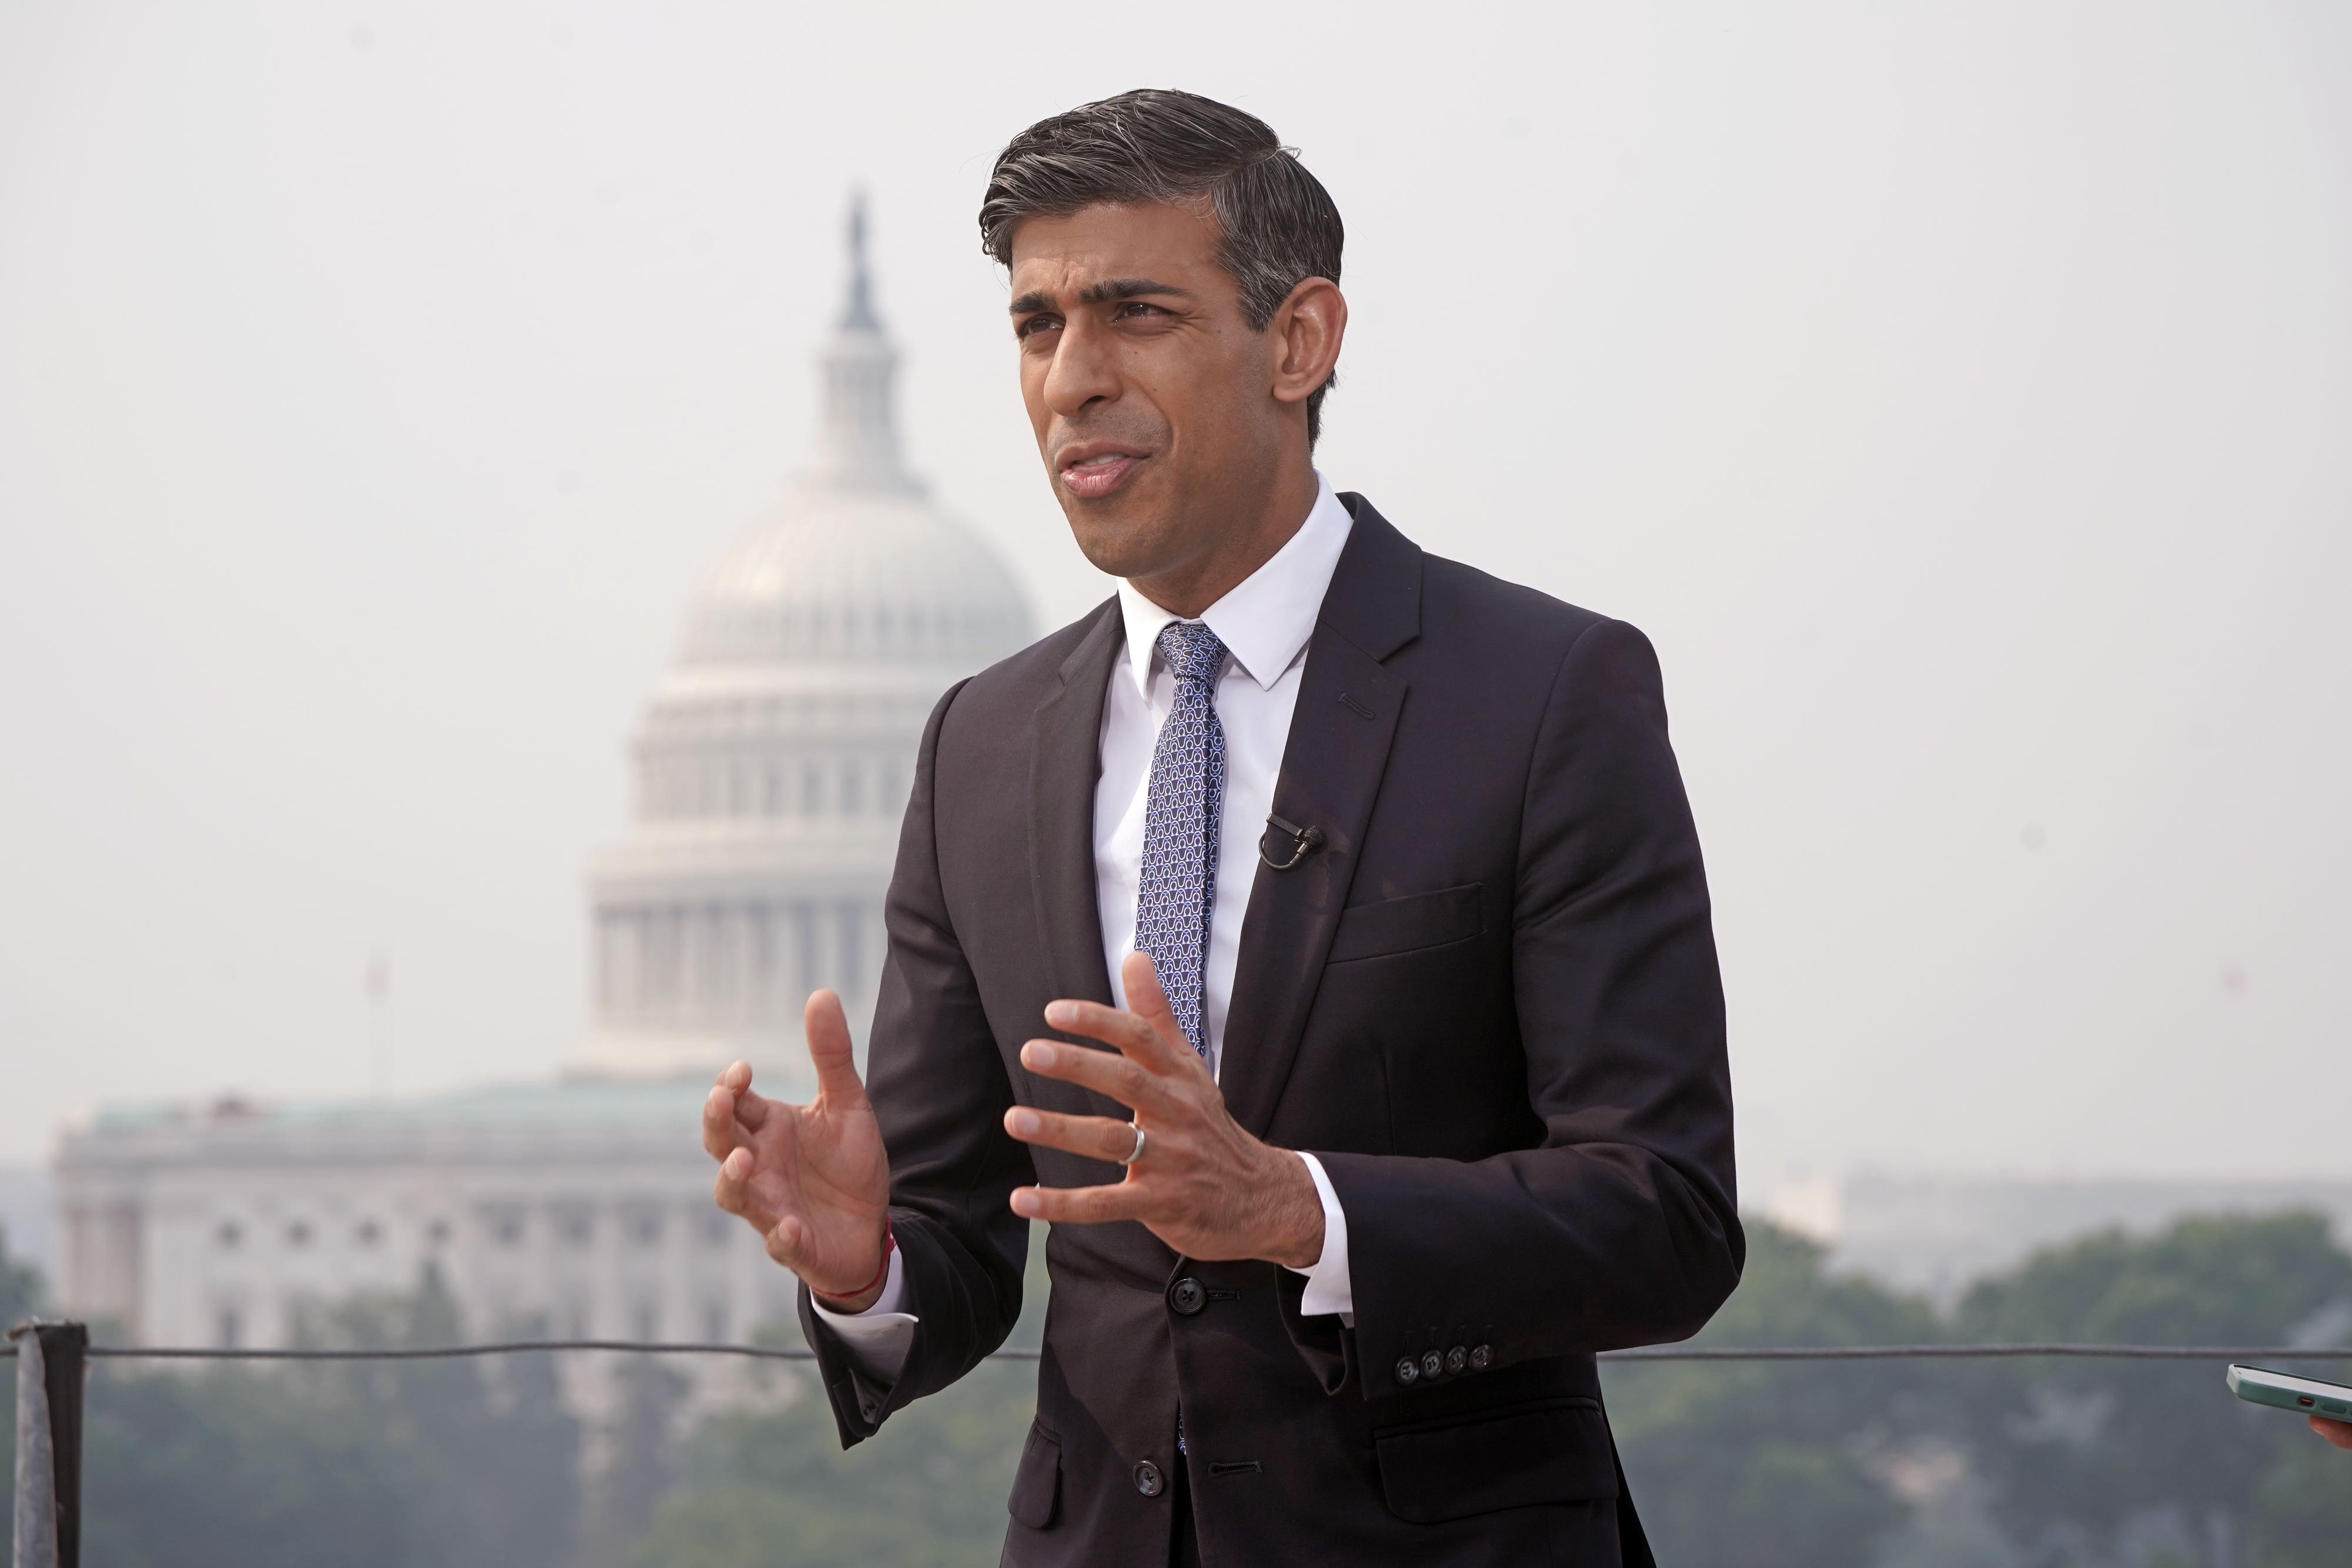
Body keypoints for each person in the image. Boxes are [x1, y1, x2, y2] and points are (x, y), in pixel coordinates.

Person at [701, 88, 1740, 1567]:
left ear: (1299, 342)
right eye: (1036, 324)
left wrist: (1295, 1207)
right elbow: (965, 1243)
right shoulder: (981, 741)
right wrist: (868, 1265)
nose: (1072, 378)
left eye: (1133, 312)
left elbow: (1667, 1215)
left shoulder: (1542, 694)